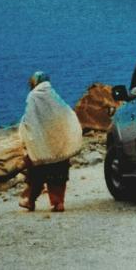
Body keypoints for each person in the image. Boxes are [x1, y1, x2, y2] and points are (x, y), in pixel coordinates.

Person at [18, 71, 83, 212]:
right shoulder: (54, 95)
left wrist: (27, 136)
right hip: (58, 144)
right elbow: (67, 113)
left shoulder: (33, 96)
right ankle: (58, 202)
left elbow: (30, 119)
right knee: (59, 175)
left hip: (42, 144)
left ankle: (30, 201)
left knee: (36, 175)